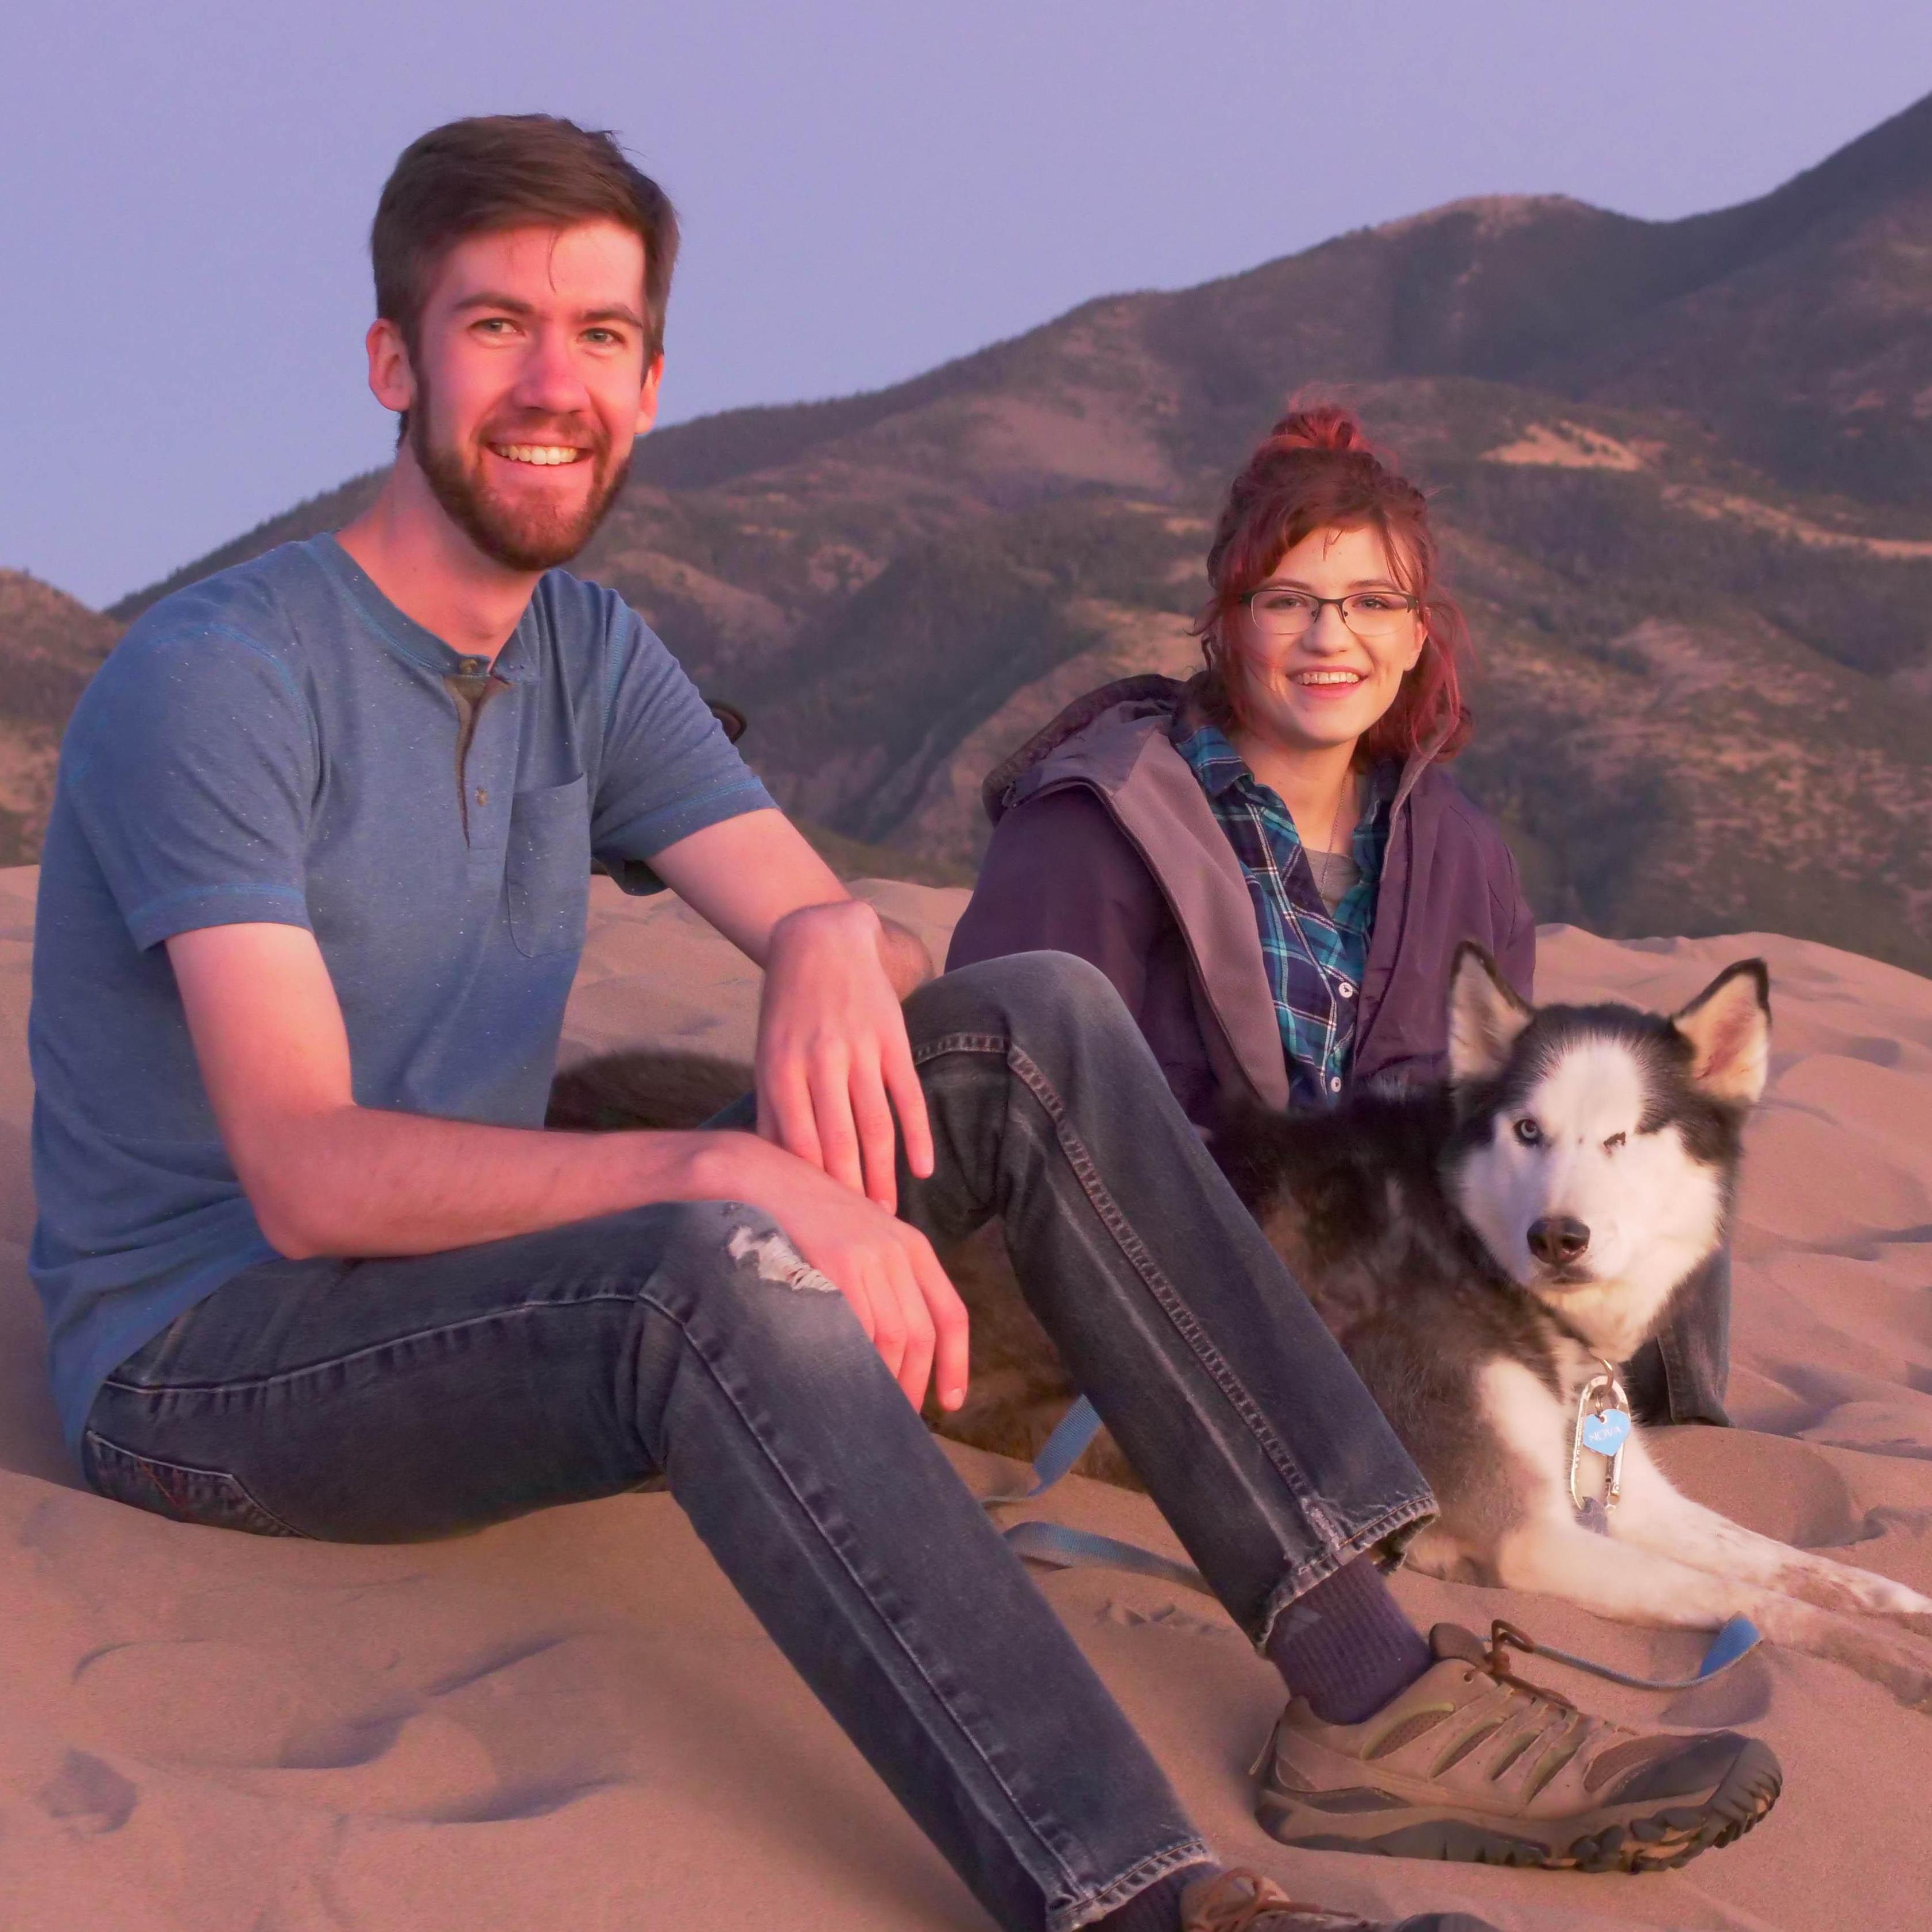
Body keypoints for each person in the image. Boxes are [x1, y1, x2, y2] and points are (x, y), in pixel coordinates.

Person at [29, 117, 1765, 1932]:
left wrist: (821, 942)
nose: (554, 383)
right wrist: (726, 1162)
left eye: (602, 335)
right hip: (218, 1362)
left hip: (482, 1284)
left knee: (1030, 1017)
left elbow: (818, 905)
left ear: (650, 378)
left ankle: (1370, 1690)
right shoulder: (224, 679)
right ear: (394, 359)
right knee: (701, 1267)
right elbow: (305, 1176)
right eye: (495, 327)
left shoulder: (586, 655)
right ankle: (1137, 1892)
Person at [948, 406, 1732, 1430]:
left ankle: (1639, 1441)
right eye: (1288, 601)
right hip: (1163, 1321)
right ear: (1226, 622)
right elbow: (988, 1125)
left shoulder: (1465, 861)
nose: (1331, 637)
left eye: (1370, 600)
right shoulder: (1095, 825)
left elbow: (1505, 1141)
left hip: (1413, 1324)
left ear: (1415, 634)